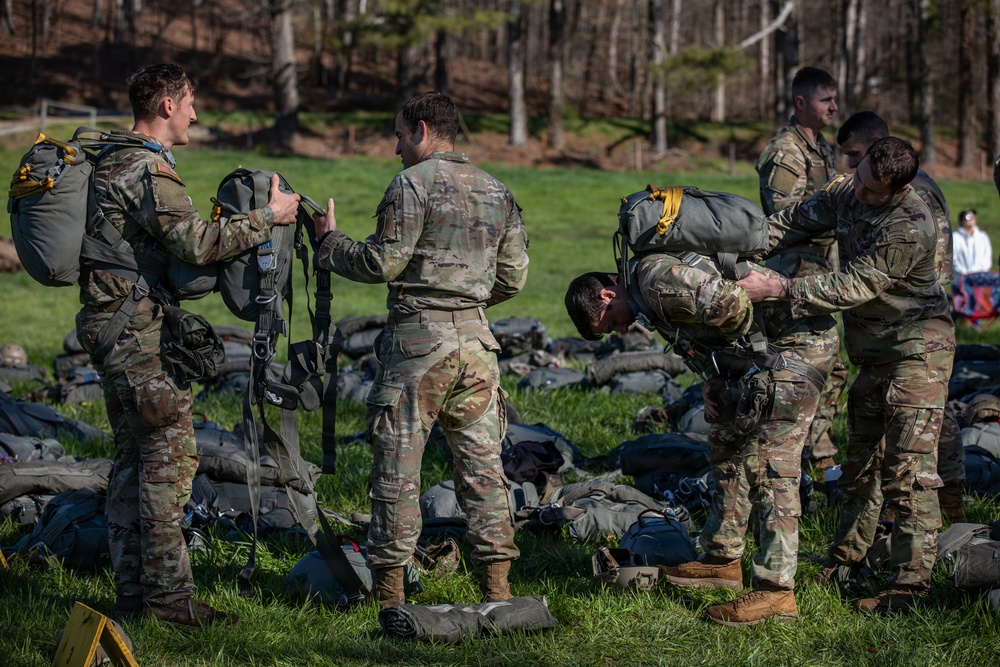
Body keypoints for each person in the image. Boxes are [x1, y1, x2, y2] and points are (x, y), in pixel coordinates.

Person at [75, 63, 301, 627]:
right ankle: (170, 603)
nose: (196, 114)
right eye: (191, 102)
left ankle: (133, 594)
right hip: (137, 337)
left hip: (113, 330)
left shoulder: (111, 159)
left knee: (131, 463)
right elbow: (198, 244)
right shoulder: (146, 169)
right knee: (167, 464)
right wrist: (268, 217)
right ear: (168, 104)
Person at [310, 92, 529, 608]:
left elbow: (383, 263)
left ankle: (390, 597)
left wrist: (330, 241)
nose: (394, 147)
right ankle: (498, 589)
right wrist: (469, 298)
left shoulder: (410, 184)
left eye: (399, 134)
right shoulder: (498, 190)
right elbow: (514, 277)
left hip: (418, 348)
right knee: (482, 470)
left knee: (398, 469)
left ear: (422, 130)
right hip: (478, 347)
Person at [736, 137, 955, 614]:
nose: (857, 192)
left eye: (869, 189)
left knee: (908, 471)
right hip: (874, 355)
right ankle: (846, 559)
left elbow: (853, 284)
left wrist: (776, 287)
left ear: (895, 189)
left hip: (918, 351)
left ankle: (910, 587)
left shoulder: (909, 225)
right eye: (857, 177)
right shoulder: (849, 189)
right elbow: (797, 219)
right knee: (860, 466)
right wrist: (743, 248)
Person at [565, 260, 837, 626]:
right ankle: (722, 559)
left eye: (611, 321)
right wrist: (716, 376)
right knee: (725, 443)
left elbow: (735, 307)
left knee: (772, 464)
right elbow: (698, 331)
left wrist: (737, 369)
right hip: (760, 354)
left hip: (797, 344)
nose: (621, 328)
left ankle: (776, 591)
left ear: (607, 294)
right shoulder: (645, 299)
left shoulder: (655, 280)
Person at [837, 110, 965, 522]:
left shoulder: (910, 197)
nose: (848, 165)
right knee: (919, 426)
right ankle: (930, 511)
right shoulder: (890, 183)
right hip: (900, 324)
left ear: (876, 147)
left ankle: (943, 511)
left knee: (922, 431)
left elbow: (904, 271)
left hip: (913, 323)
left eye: (855, 154)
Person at [756, 66, 845, 475]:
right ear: (800, 103)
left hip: (820, 264)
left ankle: (817, 454)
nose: (834, 106)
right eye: (825, 100)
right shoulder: (786, 151)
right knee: (814, 363)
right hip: (794, 269)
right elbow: (783, 217)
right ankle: (806, 457)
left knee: (832, 365)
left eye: (834, 99)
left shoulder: (820, 146)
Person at [952, 209, 992, 276]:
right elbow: (953, 259)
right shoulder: (955, 237)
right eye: (968, 217)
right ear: (961, 221)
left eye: (973, 216)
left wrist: (979, 273)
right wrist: (964, 273)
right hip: (961, 279)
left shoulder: (983, 236)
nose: (971, 219)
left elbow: (987, 257)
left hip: (980, 278)